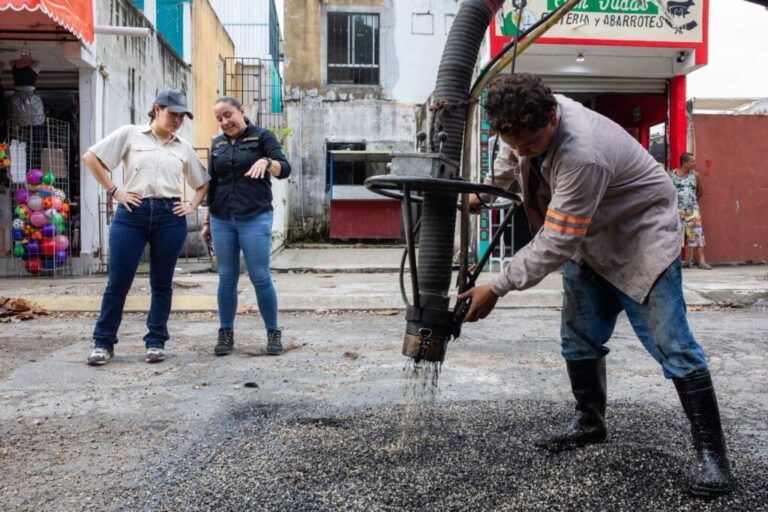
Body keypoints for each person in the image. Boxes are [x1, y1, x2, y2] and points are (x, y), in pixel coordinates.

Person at [460, 74, 733, 497]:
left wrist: (497, 286)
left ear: (551, 117)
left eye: (530, 144)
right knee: (579, 338)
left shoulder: (582, 152)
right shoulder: (520, 128)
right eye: (514, 143)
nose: (522, 151)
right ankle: (590, 422)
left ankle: (714, 458)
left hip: (639, 239)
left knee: (672, 343)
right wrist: (485, 193)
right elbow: (510, 165)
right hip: (591, 239)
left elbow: (556, 239)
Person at [83, 90, 210, 365]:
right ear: (156, 109)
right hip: (132, 213)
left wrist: (191, 206)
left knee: (162, 283)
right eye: (172, 114)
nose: (177, 120)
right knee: (118, 281)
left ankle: (155, 342)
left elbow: (202, 182)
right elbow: (91, 157)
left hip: (169, 216)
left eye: (181, 116)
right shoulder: (131, 134)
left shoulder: (182, 146)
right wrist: (114, 191)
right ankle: (103, 343)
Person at [201, 96, 291, 357]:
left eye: (228, 115)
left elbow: (285, 169)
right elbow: (213, 183)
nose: (224, 122)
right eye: (219, 118)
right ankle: (226, 333)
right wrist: (207, 220)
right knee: (226, 278)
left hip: (254, 216)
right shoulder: (216, 144)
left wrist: (266, 162)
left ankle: (273, 333)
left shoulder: (263, 137)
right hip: (221, 219)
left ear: (242, 111)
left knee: (260, 276)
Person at [671, 152, 712, 269]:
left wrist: (691, 203)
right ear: (685, 163)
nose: (695, 164)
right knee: (676, 236)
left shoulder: (695, 176)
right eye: (692, 161)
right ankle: (676, 263)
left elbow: (700, 192)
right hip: (676, 210)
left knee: (697, 235)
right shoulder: (671, 175)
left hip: (693, 210)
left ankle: (702, 262)